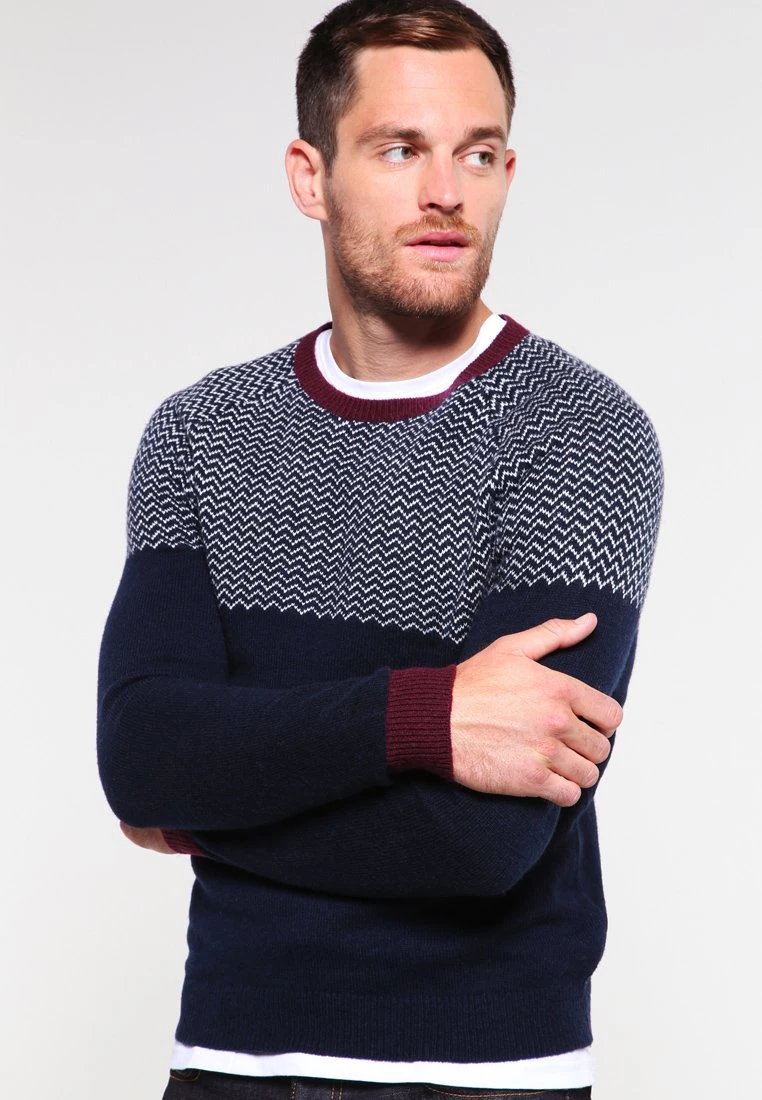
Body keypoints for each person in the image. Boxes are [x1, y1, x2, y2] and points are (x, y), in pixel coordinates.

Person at [97, 2, 663, 1098]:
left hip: (486, 1075)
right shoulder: (200, 433)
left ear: (507, 173)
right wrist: (421, 716)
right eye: (400, 149)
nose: (446, 190)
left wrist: (199, 805)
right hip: (224, 1064)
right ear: (311, 177)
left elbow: (476, 841)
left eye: (478, 153)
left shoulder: (580, 433)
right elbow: (142, 753)